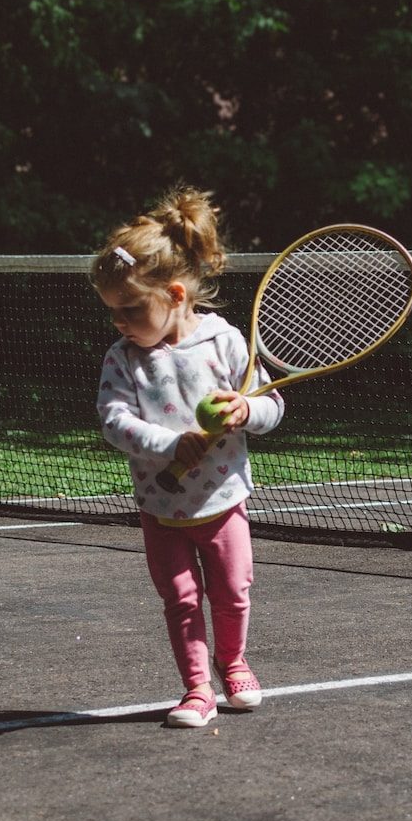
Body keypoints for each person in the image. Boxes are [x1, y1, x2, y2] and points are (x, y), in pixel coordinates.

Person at [90, 187, 284, 729]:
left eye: (130, 309)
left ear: (175, 294)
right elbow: (114, 422)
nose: (120, 323)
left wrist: (247, 410)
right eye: (113, 313)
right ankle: (197, 688)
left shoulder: (223, 342)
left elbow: (272, 405)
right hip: (161, 506)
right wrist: (170, 445)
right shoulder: (122, 358)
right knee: (180, 599)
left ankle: (233, 662)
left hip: (223, 501)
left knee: (233, 592)